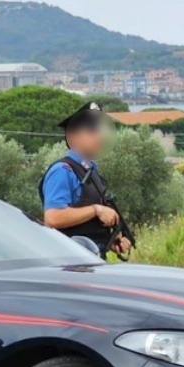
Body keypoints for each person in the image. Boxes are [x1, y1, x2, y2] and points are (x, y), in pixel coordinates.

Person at [39, 101, 133, 259]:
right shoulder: (63, 171)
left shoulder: (91, 171)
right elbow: (53, 217)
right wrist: (97, 210)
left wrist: (109, 242)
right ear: (73, 137)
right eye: (92, 131)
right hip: (69, 264)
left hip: (90, 261)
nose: (100, 136)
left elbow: (86, 228)